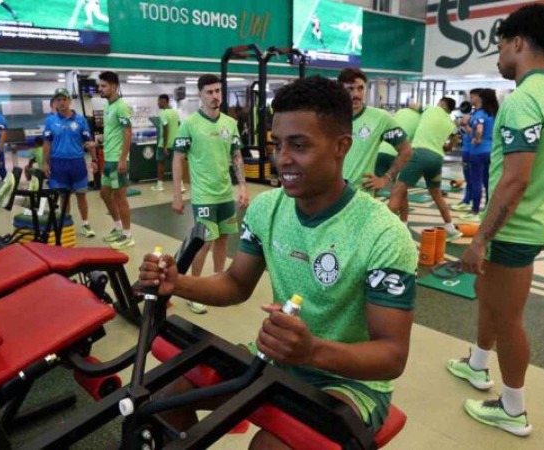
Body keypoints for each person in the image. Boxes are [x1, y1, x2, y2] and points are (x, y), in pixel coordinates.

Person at [139, 76, 417, 447]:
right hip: (278, 358)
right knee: (163, 398)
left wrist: (312, 350)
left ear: (341, 146)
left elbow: (392, 356)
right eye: (278, 144)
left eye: (299, 146)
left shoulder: (383, 234)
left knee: (268, 447)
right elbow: (237, 283)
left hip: (351, 383)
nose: (282, 159)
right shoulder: (267, 209)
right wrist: (179, 282)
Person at [447, 4, 544, 437]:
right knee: (489, 295)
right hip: (535, 223)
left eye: (499, 47)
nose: (498, 57)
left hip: (514, 229)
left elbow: (515, 181)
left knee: (508, 316)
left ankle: (513, 408)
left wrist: (480, 240)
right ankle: (479, 364)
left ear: (517, 43)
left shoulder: (523, 100)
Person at [171, 74, 249, 314]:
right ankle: (195, 289)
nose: (215, 96)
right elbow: (178, 158)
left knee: (224, 239)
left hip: (225, 195)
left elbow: (236, 156)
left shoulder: (229, 123)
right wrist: (177, 194)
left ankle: (218, 282)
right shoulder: (190, 124)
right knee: (203, 243)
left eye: (218, 91)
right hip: (204, 196)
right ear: (200, 94)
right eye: (210, 92)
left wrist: (243, 187)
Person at [387, 98, 462, 239]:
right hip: (437, 159)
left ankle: (385, 229)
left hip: (419, 154)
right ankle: (451, 228)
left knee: (397, 191)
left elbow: (412, 104)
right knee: (437, 195)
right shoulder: (451, 124)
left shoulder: (430, 109)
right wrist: (447, 147)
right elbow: (454, 141)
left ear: (442, 104)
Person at [337, 68, 412, 193]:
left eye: (360, 88)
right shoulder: (328, 117)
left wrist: (385, 179)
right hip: (329, 194)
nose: (356, 94)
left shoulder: (380, 118)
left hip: (360, 196)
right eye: (350, 89)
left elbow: (406, 151)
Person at [42, 88, 96, 238]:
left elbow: (89, 141)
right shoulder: (50, 121)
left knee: (81, 194)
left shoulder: (80, 120)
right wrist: (45, 163)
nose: (61, 102)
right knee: (63, 196)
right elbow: (47, 143)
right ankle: (65, 224)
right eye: (58, 100)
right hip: (58, 164)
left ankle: (85, 224)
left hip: (77, 163)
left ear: (69, 101)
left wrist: (94, 159)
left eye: (64, 99)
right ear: (55, 103)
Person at [96, 71, 135, 249]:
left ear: (113, 86)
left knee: (120, 198)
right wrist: (98, 140)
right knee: (104, 194)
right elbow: (112, 132)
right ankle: (118, 227)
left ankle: (127, 235)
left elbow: (128, 132)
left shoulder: (121, 106)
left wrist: (122, 159)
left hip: (117, 159)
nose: (100, 89)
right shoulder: (107, 107)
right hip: (107, 158)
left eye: (103, 86)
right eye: (100, 86)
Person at [459, 88, 498, 223]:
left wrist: (472, 134)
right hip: (491, 151)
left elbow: (479, 131)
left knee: (476, 182)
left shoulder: (480, 114)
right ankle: (487, 209)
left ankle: (475, 210)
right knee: (488, 182)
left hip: (478, 152)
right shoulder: (493, 114)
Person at [374, 104, 421, 183]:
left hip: (381, 151)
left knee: (374, 184)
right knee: (397, 187)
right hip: (398, 154)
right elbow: (413, 144)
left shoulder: (400, 111)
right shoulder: (420, 118)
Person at [452, 91, 481, 212]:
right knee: (468, 178)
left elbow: (475, 133)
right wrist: (460, 122)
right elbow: (462, 124)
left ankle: (473, 206)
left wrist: (465, 125)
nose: (470, 99)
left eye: (473, 97)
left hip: (473, 150)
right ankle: (466, 200)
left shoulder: (481, 115)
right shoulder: (473, 113)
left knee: (474, 180)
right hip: (467, 149)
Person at [151, 94, 181, 193]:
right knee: (176, 165)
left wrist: (164, 146)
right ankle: (180, 186)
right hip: (175, 143)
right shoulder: (175, 113)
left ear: (164, 101)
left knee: (160, 164)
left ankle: (160, 185)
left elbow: (165, 129)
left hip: (164, 144)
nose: (157, 103)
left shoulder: (163, 114)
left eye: (159, 101)